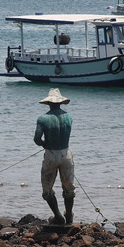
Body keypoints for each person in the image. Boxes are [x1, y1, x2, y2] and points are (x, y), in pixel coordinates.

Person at [34, 87, 75, 225]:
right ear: (61, 102)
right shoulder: (69, 117)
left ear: (49, 103)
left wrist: (44, 144)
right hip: (66, 154)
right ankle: (69, 214)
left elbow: (37, 139)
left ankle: (58, 216)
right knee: (69, 187)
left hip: (51, 155)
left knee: (47, 189)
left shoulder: (42, 119)